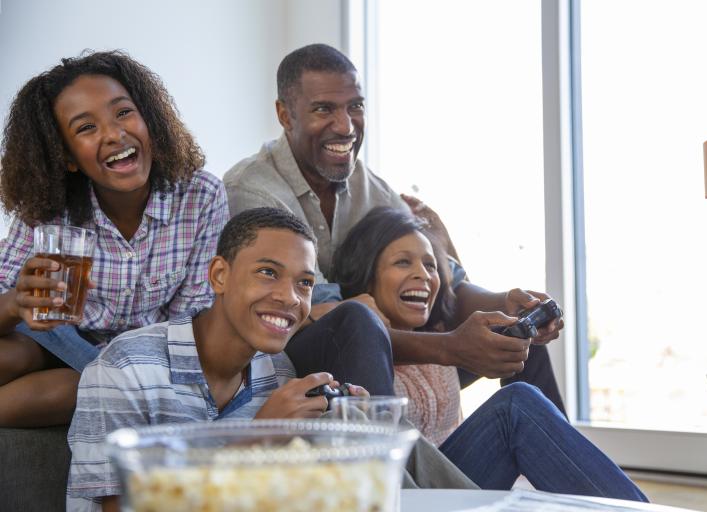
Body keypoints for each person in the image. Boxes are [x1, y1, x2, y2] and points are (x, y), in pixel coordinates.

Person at [223, 43, 565, 412]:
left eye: (355, 106)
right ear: (285, 115)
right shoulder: (253, 190)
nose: (345, 126)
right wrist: (451, 346)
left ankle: (562, 466)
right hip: (290, 357)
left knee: (514, 338)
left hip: (371, 348)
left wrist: (505, 303)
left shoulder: (371, 188)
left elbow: (447, 282)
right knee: (355, 318)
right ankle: (391, 467)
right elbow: (315, 314)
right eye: (324, 109)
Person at [328, 206, 647, 500]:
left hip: (458, 477)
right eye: (402, 262)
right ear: (367, 273)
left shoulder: (441, 332)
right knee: (515, 406)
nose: (423, 275)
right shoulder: (355, 347)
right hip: (411, 492)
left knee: (519, 346)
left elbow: (458, 290)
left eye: (430, 265)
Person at [66, 207, 373, 512]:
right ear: (219, 275)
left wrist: (337, 440)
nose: (290, 297)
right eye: (268, 273)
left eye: (304, 282)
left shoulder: (278, 373)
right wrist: (259, 438)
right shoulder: (123, 369)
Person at [0, 50, 229, 427]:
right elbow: (11, 304)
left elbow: (193, 325)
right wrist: (14, 304)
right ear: (68, 156)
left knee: (76, 387)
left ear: (150, 120)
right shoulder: (49, 206)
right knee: (13, 355)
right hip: (56, 343)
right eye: (86, 128)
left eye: (123, 112)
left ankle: (104, 380)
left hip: (143, 362)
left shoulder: (200, 197)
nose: (113, 134)